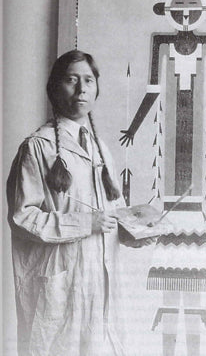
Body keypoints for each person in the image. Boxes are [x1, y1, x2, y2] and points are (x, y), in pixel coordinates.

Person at [6, 50, 150, 355]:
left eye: (88, 80)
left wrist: (132, 231)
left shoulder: (100, 149)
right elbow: (22, 217)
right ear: (55, 88)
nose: (81, 89)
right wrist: (85, 223)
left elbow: (112, 211)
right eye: (72, 80)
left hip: (102, 279)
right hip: (62, 282)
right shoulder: (37, 148)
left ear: (96, 88)